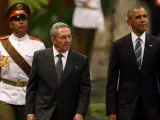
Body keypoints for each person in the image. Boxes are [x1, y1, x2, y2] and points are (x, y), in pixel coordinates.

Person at [26, 22, 91, 120]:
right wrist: (30, 113)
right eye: (63, 37)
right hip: (43, 113)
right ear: (53, 39)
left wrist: (80, 113)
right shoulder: (40, 57)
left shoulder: (81, 60)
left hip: (69, 114)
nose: (68, 40)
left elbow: (85, 90)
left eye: (69, 37)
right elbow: (32, 87)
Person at [106, 5, 160, 120]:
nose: (143, 20)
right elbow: (112, 81)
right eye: (138, 17)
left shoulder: (157, 44)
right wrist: (111, 110)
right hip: (125, 108)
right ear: (129, 22)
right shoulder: (119, 46)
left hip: (152, 108)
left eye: (145, 16)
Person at [0, 2, 45, 120]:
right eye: (16, 19)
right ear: (10, 24)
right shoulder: (1, 44)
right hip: (5, 95)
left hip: (28, 96)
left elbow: (43, 74)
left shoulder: (38, 45)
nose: (21, 22)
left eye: (24, 19)